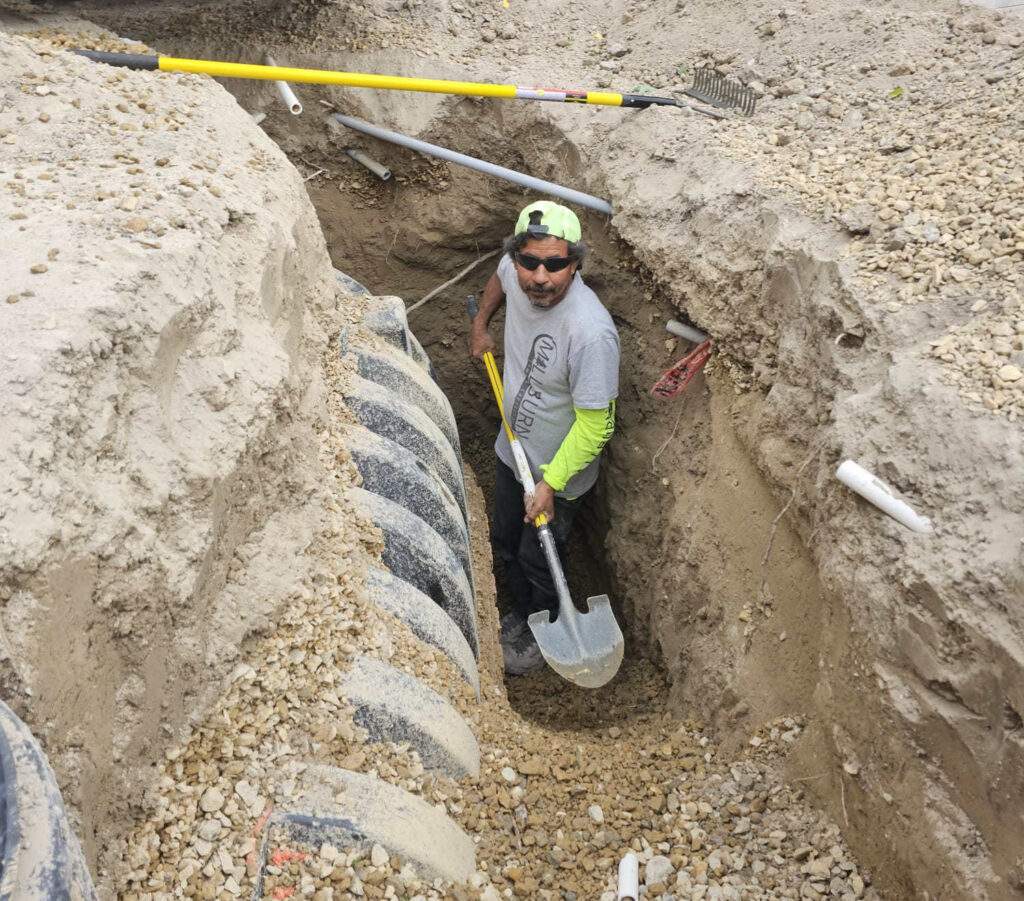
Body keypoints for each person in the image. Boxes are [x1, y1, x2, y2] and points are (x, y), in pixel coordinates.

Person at [469, 200, 620, 675]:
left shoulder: (590, 334)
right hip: (512, 449)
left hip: (559, 476)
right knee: (505, 537)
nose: (540, 276)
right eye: (529, 261)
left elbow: (597, 425)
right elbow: (498, 276)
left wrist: (550, 485)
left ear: (575, 264)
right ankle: (516, 607)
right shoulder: (514, 271)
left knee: (540, 559)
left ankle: (542, 619)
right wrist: (481, 324)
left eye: (556, 265)